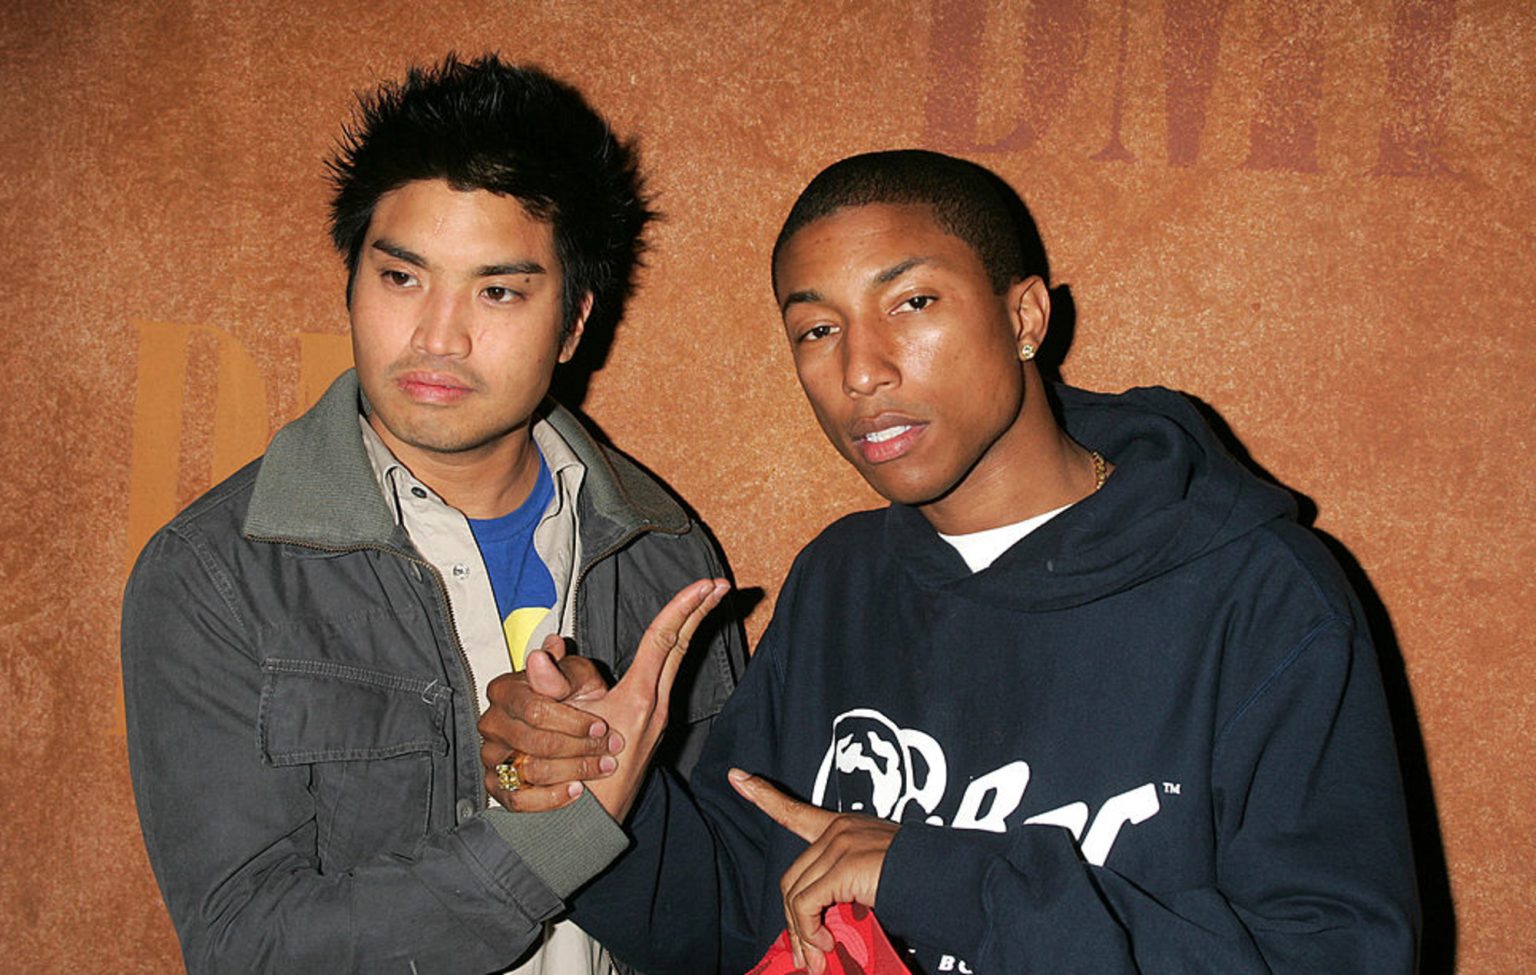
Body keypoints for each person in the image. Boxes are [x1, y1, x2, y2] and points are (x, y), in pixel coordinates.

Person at [481, 150, 1420, 973]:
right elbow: (740, 924)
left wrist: (943, 881)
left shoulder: (1258, 590)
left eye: (913, 302)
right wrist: (600, 804)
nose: (861, 370)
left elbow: (1336, 956)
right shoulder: (841, 581)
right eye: (817, 329)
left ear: (1025, 316)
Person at [121, 54, 742, 974]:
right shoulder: (218, 571)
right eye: (402, 278)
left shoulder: (666, 557)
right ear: (352, 280)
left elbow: (721, 923)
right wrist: (553, 841)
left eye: (498, 290)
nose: (437, 336)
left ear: (574, 324)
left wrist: (621, 791)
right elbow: (247, 947)